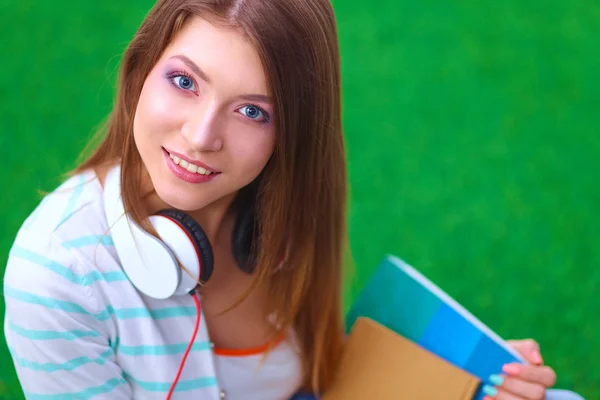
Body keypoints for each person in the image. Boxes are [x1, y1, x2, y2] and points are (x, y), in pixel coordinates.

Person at [2, 1, 584, 399]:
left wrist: (459, 379)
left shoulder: (271, 200)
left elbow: (321, 374)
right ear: (140, 72)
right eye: (184, 81)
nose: (202, 136)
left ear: (290, 135)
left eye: (252, 110)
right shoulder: (56, 273)